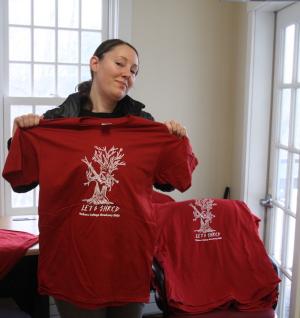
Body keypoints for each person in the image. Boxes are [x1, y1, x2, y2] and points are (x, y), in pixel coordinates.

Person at [5, 39, 196, 318]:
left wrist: (174, 139)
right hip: (73, 263)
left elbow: (171, 181)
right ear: (95, 63)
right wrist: (20, 137)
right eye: (120, 63)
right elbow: (21, 182)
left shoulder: (145, 126)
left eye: (134, 71)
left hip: (128, 260)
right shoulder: (55, 123)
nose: (127, 74)